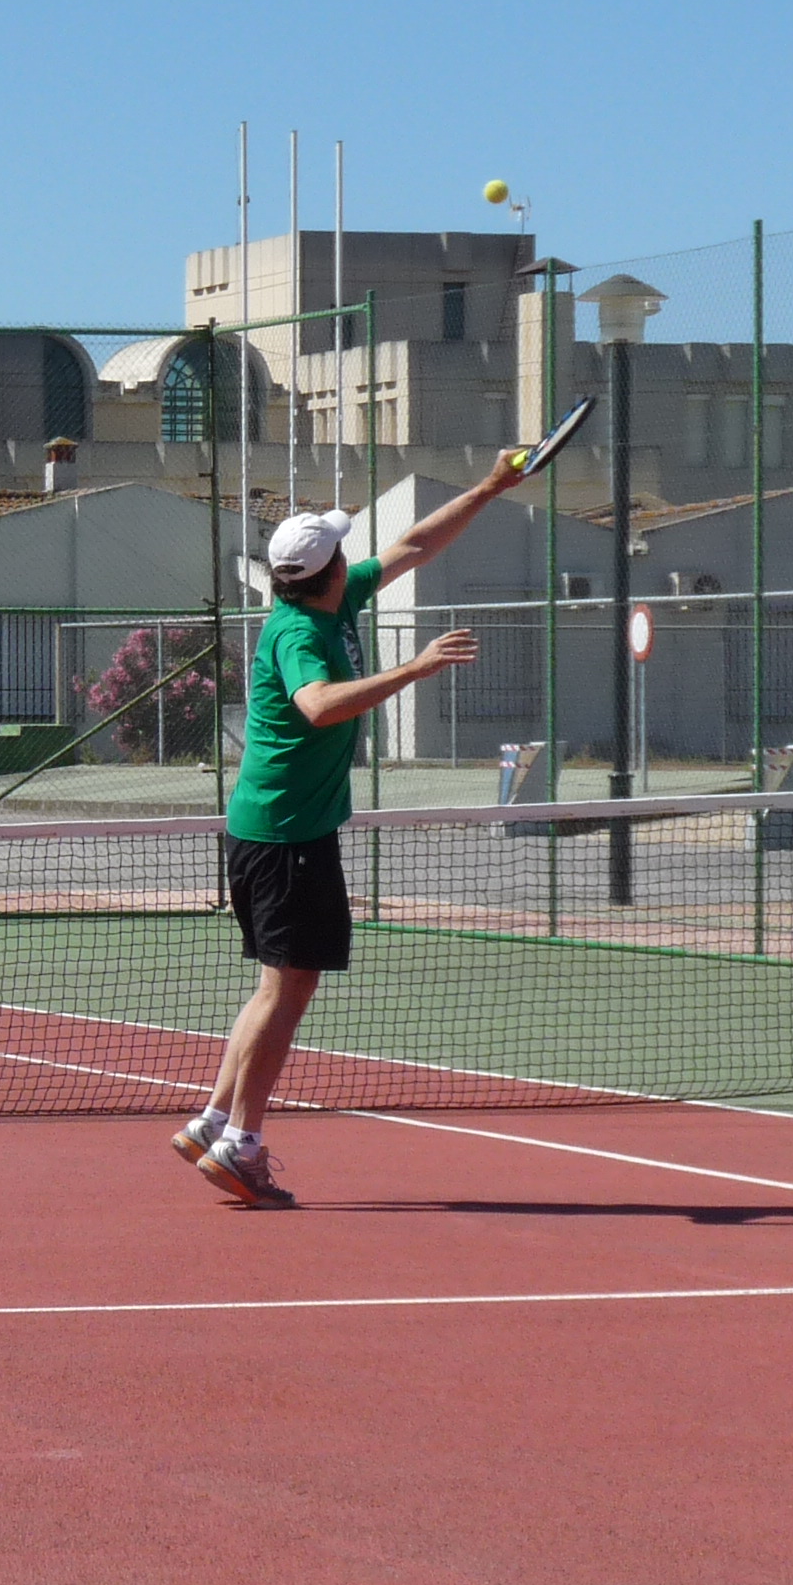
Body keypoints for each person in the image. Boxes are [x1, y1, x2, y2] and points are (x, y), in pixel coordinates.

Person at [181, 465, 527, 1206]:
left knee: (276, 984)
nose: (353, 555)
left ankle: (213, 1121)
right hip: (286, 836)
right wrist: (415, 668)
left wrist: (489, 488)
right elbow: (318, 705)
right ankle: (242, 1142)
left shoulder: (335, 599)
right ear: (328, 569)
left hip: (277, 830)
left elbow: (414, 545)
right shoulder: (301, 632)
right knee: (290, 987)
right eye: (343, 549)